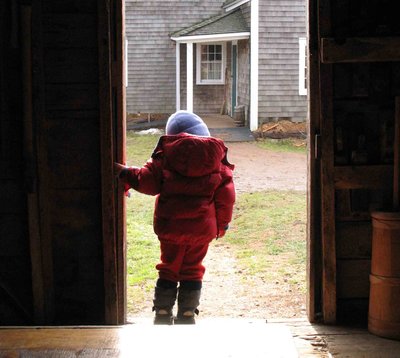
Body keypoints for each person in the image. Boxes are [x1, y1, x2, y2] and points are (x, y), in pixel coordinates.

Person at [115, 110, 235, 325]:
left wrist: (126, 172)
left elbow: (148, 183)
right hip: (201, 229)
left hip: (170, 226)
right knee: (193, 267)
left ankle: (162, 311)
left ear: (173, 135)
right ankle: (187, 313)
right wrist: (223, 224)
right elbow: (226, 197)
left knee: (169, 266)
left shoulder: (165, 157)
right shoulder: (216, 160)